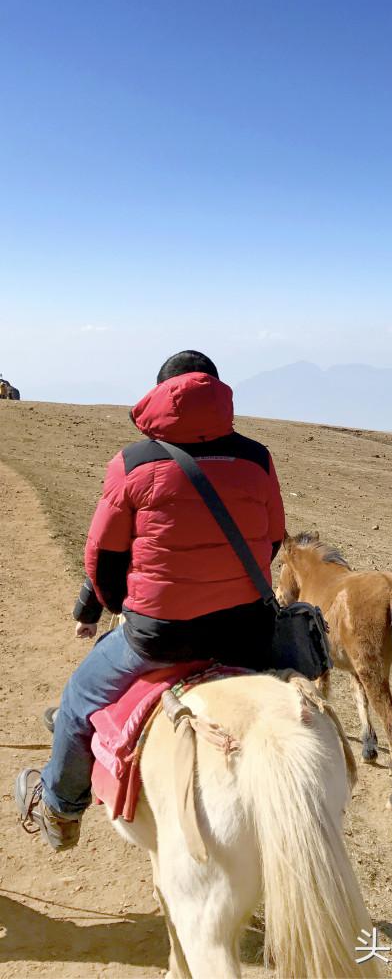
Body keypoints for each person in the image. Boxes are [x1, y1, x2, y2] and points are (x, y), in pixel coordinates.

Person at [16, 351, 285, 851]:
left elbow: (102, 556)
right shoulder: (257, 457)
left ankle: (60, 808)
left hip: (159, 636)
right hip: (246, 633)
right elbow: (272, 539)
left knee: (77, 701)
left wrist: (124, 605)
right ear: (218, 392)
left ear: (160, 394)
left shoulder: (132, 463)